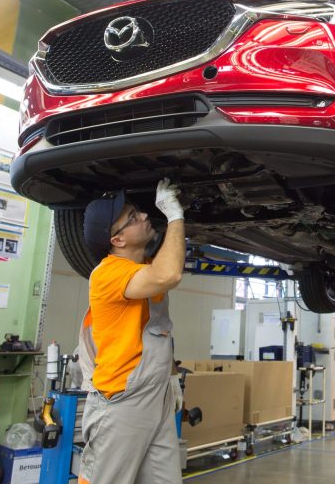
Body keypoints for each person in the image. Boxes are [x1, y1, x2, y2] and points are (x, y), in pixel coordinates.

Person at [77, 178, 186, 484]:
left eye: (137, 211)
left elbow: (158, 328)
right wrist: (175, 216)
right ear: (118, 240)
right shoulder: (107, 274)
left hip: (156, 395)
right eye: (133, 218)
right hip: (121, 401)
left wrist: (172, 374)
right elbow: (170, 273)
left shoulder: (146, 267)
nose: (144, 216)